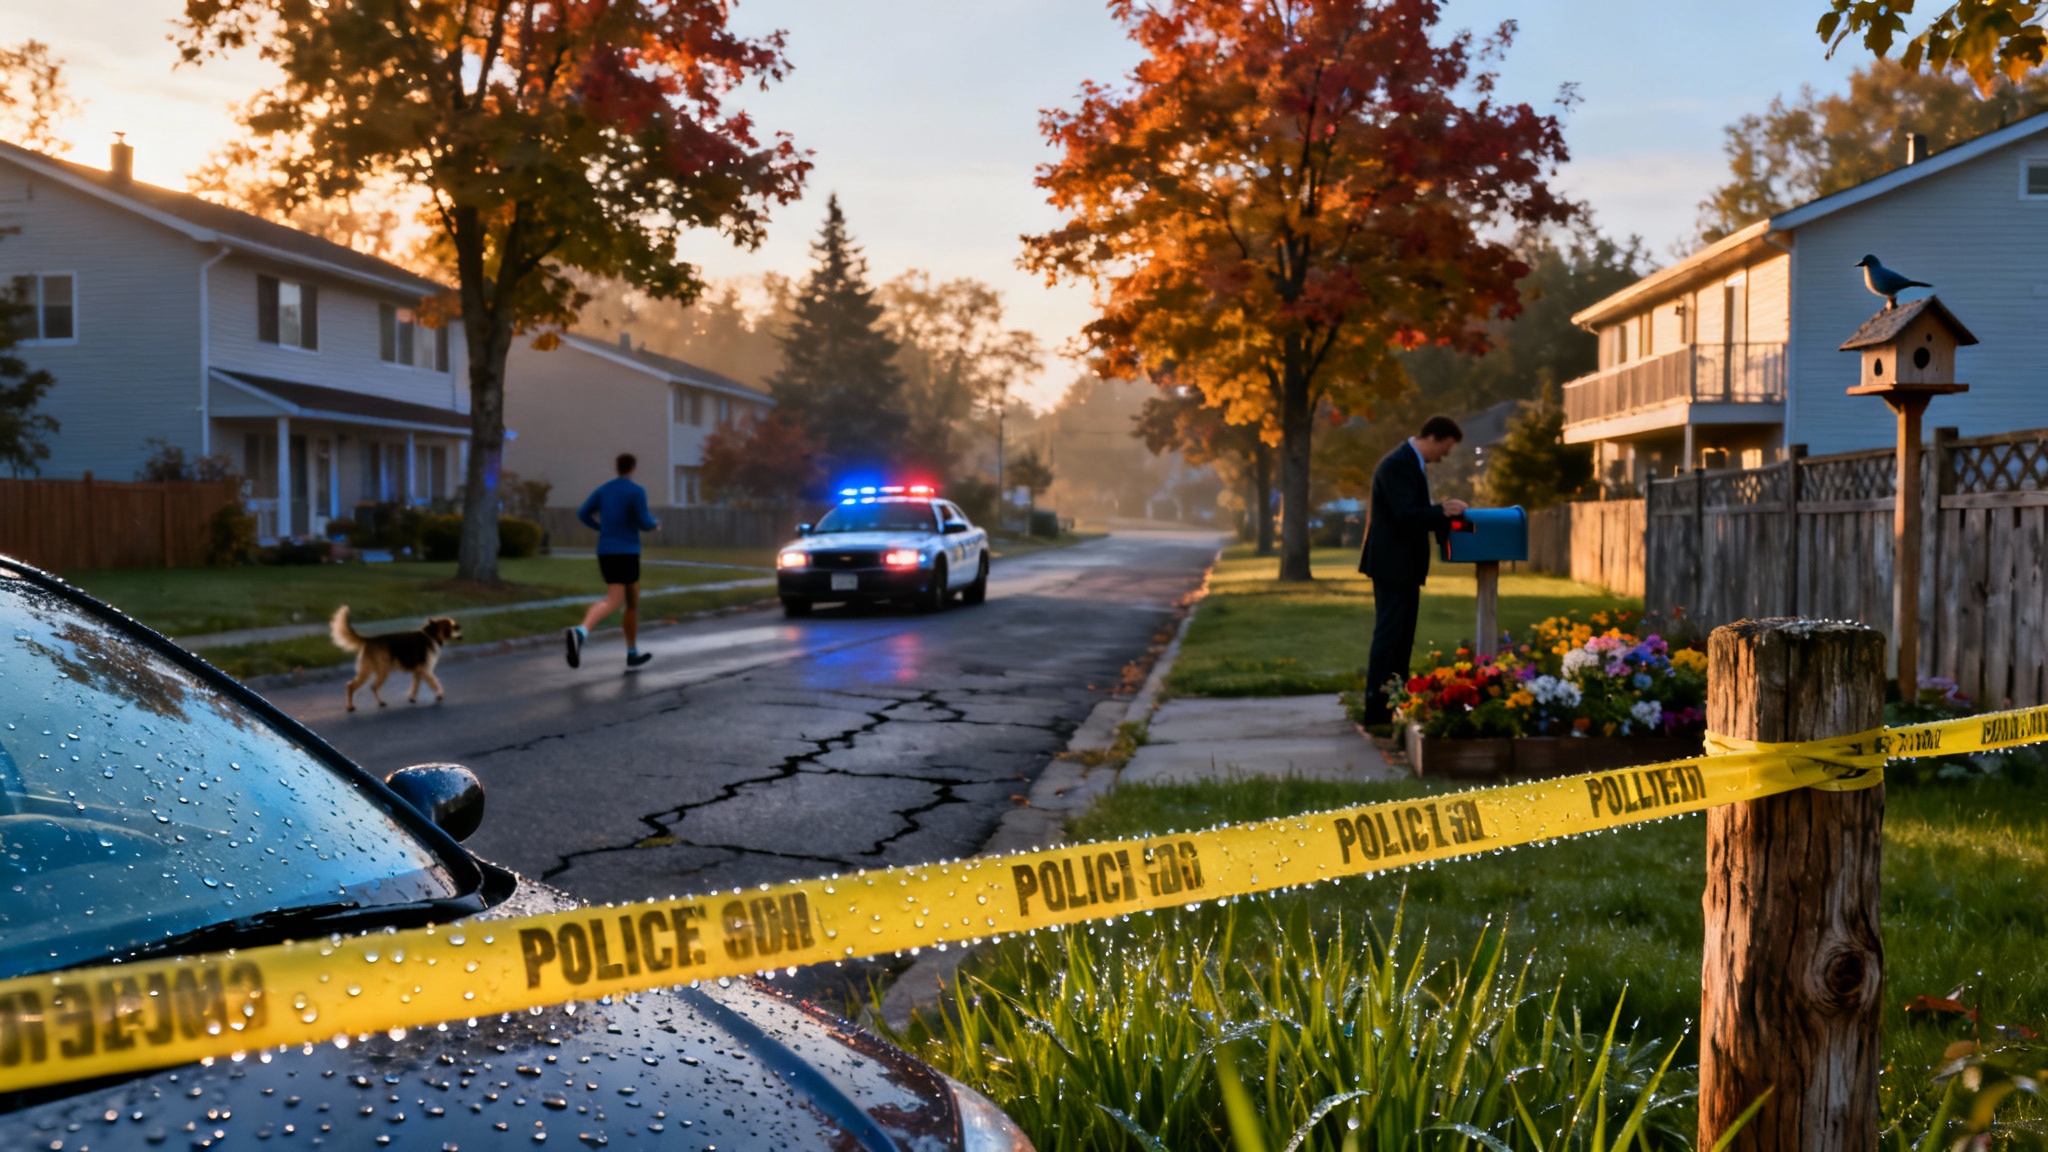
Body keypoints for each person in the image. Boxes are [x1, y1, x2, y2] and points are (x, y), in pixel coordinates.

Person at [1357, 415, 1468, 725]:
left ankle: (1395, 705)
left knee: (1402, 639)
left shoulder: (1410, 462)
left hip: (1401, 566)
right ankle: (1377, 711)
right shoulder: (1399, 464)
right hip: (1393, 565)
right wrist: (1441, 511)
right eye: (1445, 449)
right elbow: (1404, 516)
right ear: (1432, 438)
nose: (1444, 456)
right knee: (1390, 637)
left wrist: (1440, 513)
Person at [565, 453, 660, 670]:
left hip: (606, 551)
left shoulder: (604, 489)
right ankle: (581, 632)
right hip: (626, 552)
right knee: (624, 601)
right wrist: (655, 525)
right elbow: (644, 521)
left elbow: (583, 514)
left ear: (616, 467)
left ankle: (630, 651)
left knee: (617, 598)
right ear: (632, 468)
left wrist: (602, 529)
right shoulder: (636, 491)